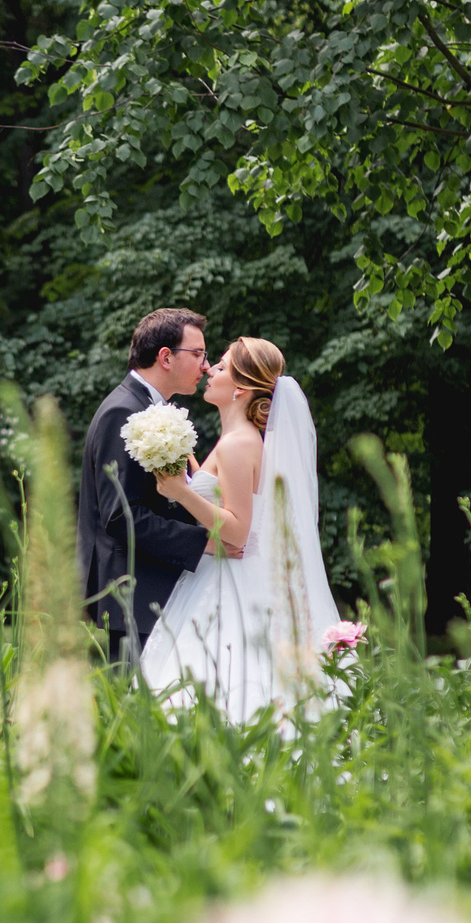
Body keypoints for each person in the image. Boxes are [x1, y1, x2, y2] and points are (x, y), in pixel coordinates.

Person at [140, 337, 345, 722]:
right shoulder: (235, 440)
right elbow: (221, 494)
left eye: (220, 366)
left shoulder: (238, 445)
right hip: (220, 574)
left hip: (229, 580)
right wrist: (182, 457)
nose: (209, 370)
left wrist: (181, 493)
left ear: (240, 389)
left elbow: (236, 531)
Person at [79, 308, 213, 662]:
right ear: (166, 357)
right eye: (198, 353)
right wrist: (202, 542)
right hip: (133, 593)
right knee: (133, 711)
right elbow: (121, 516)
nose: (205, 365)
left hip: (152, 588)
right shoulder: (122, 412)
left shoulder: (150, 408)